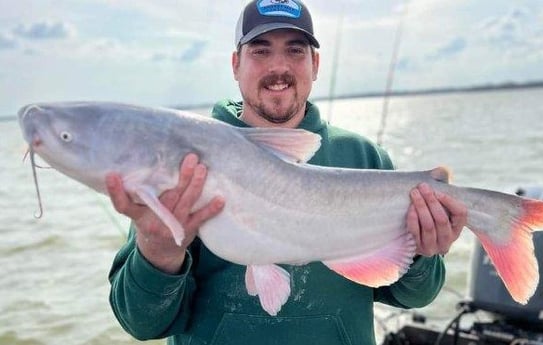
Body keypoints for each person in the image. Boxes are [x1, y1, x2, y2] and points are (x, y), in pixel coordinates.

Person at [106, 1, 468, 344]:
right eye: (260, 50)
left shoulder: (364, 157)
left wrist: (423, 254)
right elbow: (141, 322)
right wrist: (157, 253)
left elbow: (414, 295)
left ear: (315, 64)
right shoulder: (187, 160)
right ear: (235, 65)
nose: (278, 67)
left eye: (295, 50)